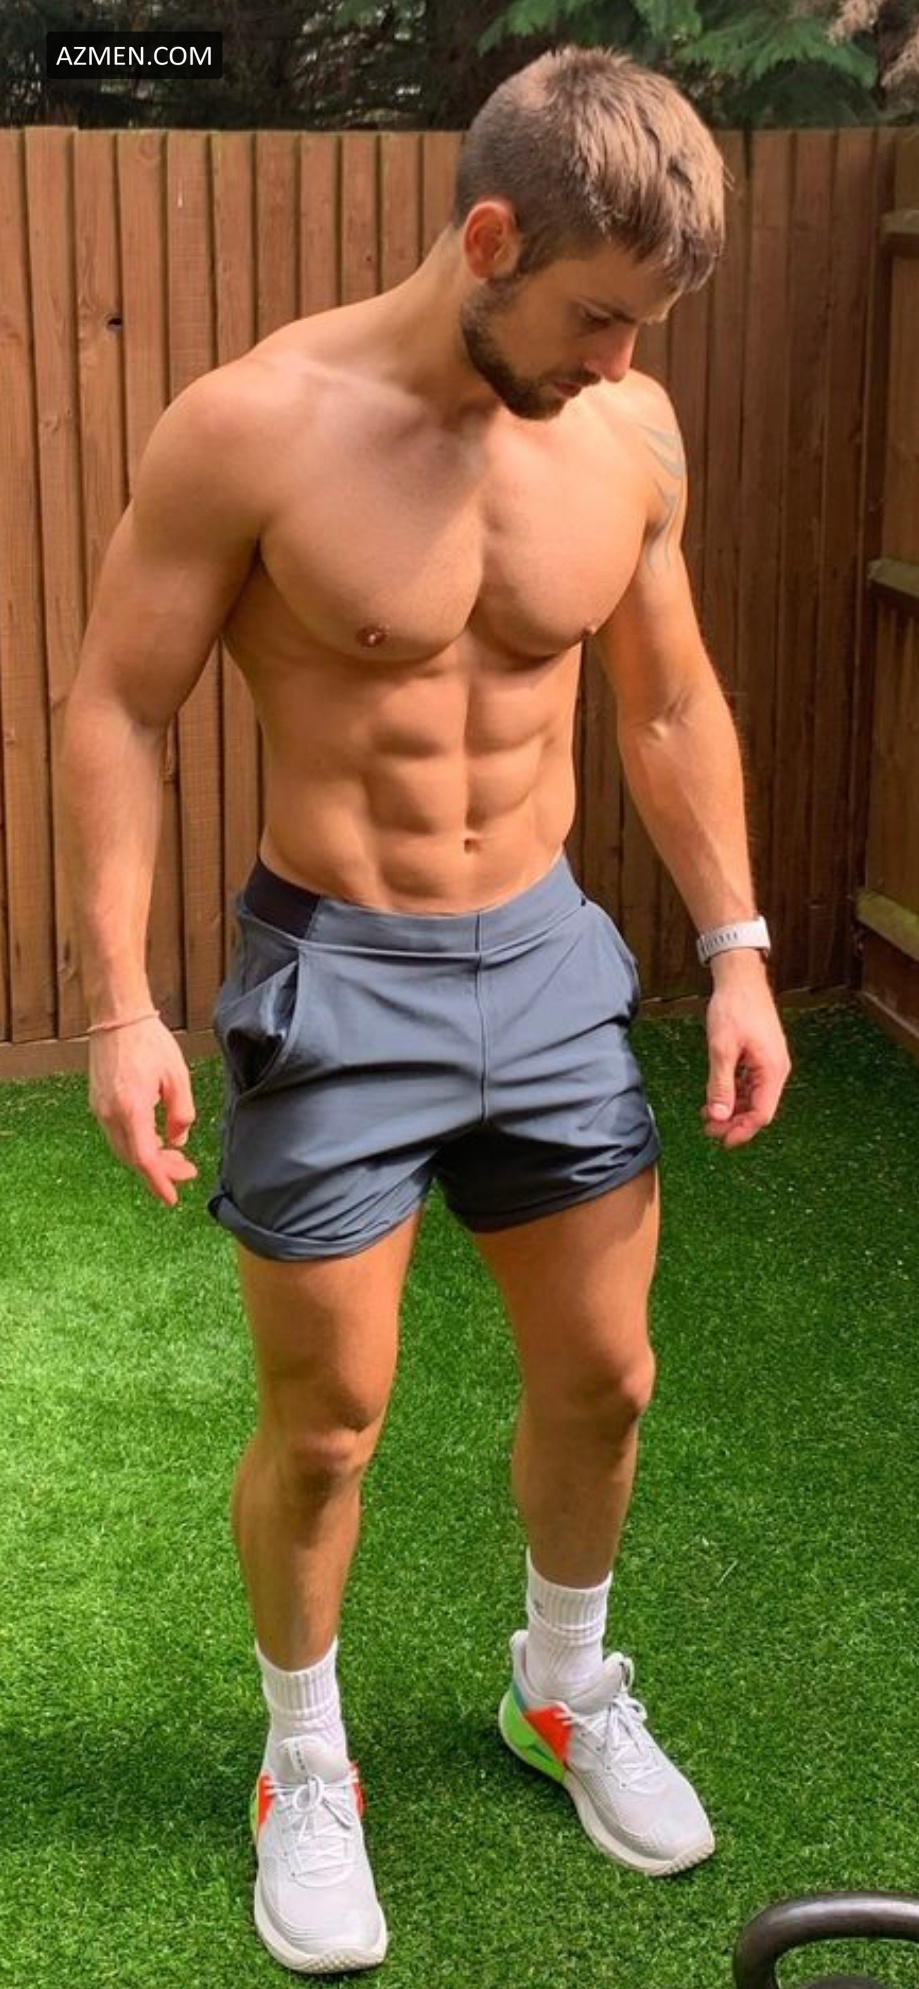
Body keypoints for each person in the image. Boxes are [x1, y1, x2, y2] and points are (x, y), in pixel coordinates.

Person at [61, 41, 792, 1977]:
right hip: (341, 974)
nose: (618, 363)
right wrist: (120, 1001)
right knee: (328, 1425)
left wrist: (734, 943)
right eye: (594, 318)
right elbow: (119, 700)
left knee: (608, 1376)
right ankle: (304, 1760)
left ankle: (562, 1683)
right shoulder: (252, 427)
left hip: (547, 961)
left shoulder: (625, 437)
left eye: (640, 329)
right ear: (487, 240)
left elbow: (665, 697)